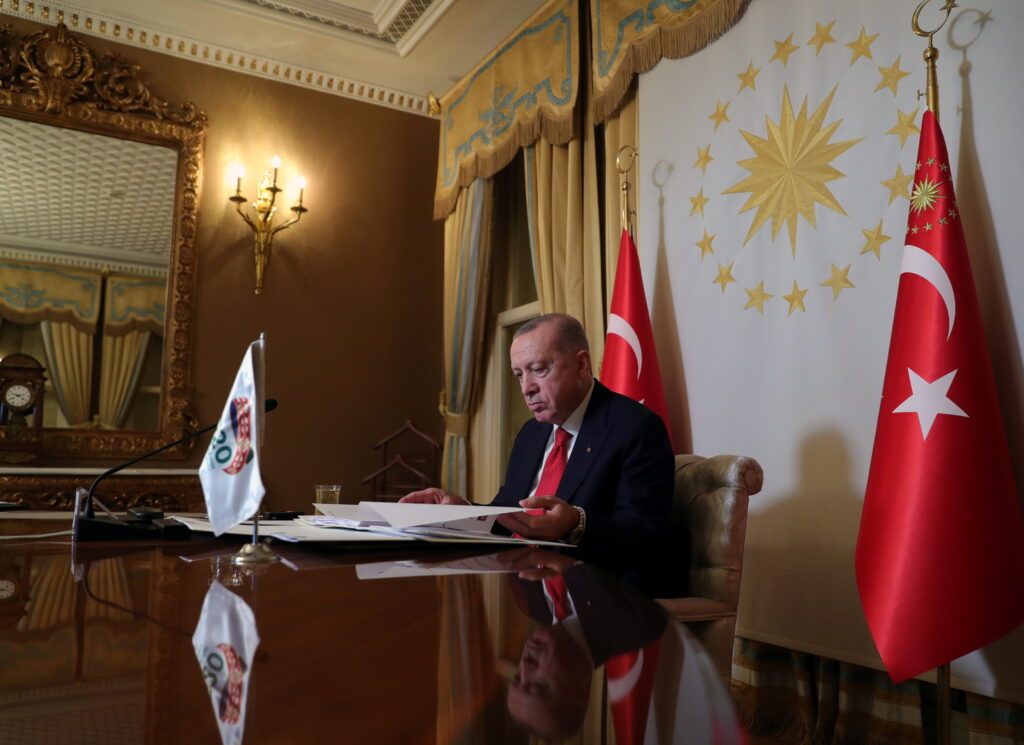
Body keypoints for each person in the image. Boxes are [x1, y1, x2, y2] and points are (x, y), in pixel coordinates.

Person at [402, 313, 681, 590]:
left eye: (538, 369)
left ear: (581, 364)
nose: (527, 388)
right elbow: (508, 518)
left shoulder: (634, 427)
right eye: (519, 375)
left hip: (594, 595)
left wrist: (576, 524)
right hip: (524, 590)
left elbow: (647, 538)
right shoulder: (531, 434)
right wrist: (461, 511)